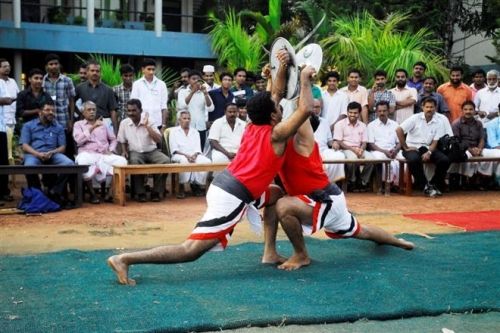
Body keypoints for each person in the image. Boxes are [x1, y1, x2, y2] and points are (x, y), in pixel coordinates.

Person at [107, 53, 316, 286]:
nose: (279, 109)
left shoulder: (251, 125)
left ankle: (269, 252)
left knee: (275, 194)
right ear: (273, 115)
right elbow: (306, 108)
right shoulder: (276, 134)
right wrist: (305, 78)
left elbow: (274, 94)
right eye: (276, 109)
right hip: (232, 196)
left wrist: (281, 67)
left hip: (225, 185)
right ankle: (125, 259)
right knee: (191, 250)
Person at [272, 95, 413, 271]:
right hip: (319, 199)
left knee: (283, 205)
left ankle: (301, 255)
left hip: (326, 199)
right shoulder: (279, 140)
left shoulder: (302, 141)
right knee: (362, 231)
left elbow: (303, 109)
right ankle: (399, 242)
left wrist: (302, 80)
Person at [20, 100, 75, 206]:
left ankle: (55, 190)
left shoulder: (58, 127)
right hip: (33, 154)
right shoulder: (28, 126)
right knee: (29, 166)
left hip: (53, 154)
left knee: (70, 164)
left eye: (53, 110)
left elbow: (62, 147)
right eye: (47, 110)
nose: (51, 113)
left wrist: (52, 152)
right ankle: (38, 194)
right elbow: (25, 146)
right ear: (40, 112)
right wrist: (37, 154)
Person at [73, 101, 127, 203]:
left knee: (122, 162)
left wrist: (110, 150)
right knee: (82, 161)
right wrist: (93, 127)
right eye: (89, 110)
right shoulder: (78, 124)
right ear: (83, 112)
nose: (92, 112)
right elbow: (79, 140)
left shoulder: (104, 124)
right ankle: (92, 194)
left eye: (94, 110)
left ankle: (110, 193)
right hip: (88, 154)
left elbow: (113, 139)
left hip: (103, 154)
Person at [117, 99, 170, 202]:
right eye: (129, 111)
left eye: (134, 110)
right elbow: (122, 140)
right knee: (135, 162)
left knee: (165, 161)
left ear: (140, 110)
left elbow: (158, 140)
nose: (131, 113)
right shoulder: (124, 123)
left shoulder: (149, 121)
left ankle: (156, 191)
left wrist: (146, 126)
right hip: (135, 152)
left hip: (151, 151)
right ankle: (140, 193)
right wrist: (124, 151)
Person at [396, 97, 450, 197]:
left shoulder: (439, 121)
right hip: (412, 147)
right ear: (422, 107)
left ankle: (433, 185)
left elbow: (435, 141)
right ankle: (424, 185)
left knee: (444, 160)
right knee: (414, 160)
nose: (429, 109)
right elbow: (399, 130)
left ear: (435, 108)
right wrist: (405, 147)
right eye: (427, 107)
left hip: (428, 147)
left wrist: (429, 152)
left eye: (432, 107)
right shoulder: (415, 118)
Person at [450, 101, 500, 188]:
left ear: (474, 111)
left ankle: (488, 179)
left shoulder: (478, 123)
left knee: (497, 154)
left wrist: (479, 149)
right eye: (465, 109)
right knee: (465, 156)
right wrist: (470, 149)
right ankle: (469, 181)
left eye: (470, 109)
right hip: (464, 149)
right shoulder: (456, 124)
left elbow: (482, 138)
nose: (468, 111)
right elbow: (457, 141)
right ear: (462, 110)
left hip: (479, 148)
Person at [169, 110, 212, 198]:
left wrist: (194, 155)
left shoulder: (195, 132)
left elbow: (198, 148)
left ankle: (196, 184)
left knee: (206, 161)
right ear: (179, 120)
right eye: (184, 118)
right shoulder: (173, 132)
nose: (187, 120)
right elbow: (174, 150)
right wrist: (186, 155)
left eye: (188, 118)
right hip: (179, 155)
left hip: (194, 155)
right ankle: (181, 185)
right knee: (184, 160)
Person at [333, 101, 374, 192]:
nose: (352, 115)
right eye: (350, 112)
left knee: (371, 159)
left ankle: (363, 181)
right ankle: (352, 181)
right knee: (352, 159)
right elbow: (339, 142)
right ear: (347, 112)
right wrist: (353, 150)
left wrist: (361, 149)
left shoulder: (363, 126)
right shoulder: (339, 124)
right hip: (345, 149)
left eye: (355, 113)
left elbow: (364, 142)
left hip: (359, 148)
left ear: (359, 114)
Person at [75, 60, 119, 133]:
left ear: (100, 73)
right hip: (86, 124)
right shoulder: (80, 87)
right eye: (92, 70)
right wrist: (80, 113)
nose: (95, 73)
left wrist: (115, 130)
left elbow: (113, 111)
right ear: (87, 72)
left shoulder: (108, 89)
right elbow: (71, 102)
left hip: (104, 123)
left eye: (97, 71)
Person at [367, 101, 401, 190]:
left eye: (384, 111)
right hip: (378, 151)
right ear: (376, 112)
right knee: (381, 159)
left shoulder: (395, 125)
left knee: (402, 161)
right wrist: (384, 151)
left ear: (388, 111)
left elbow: (400, 142)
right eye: (380, 111)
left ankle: (398, 185)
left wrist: (395, 150)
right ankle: (383, 185)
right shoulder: (371, 125)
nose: (382, 113)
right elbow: (371, 144)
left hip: (393, 150)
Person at [177, 70, 214, 149]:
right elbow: (182, 106)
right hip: (187, 126)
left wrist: (206, 94)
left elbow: (211, 108)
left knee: (200, 150)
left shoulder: (204, 92)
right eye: (193, 79)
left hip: (201, 127)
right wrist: (192, 92)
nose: (196, 81)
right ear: (189, 80)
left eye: (198, 79)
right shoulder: (182, 92)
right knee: (187, 149)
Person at [311, 98, 345, 183]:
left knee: (340, 155)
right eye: (313, 107)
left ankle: (329, 181)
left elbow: (329, 140)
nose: (315, 110)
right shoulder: (304, 122)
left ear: (321, 108)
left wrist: (334, 143)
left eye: (317, 107)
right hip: (310, 151)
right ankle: (320, 182)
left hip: (324, 150)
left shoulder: (325, 122)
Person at [130, 58, 169, 131]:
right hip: (141, 123)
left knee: (158, 142)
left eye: (153, 69)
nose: (151, 72)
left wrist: (163, 126)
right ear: (143, 69)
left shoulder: (162, 84)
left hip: (157, 124)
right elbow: (133, 105)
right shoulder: (137, 84)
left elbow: (164, 107)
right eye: (149, 69)